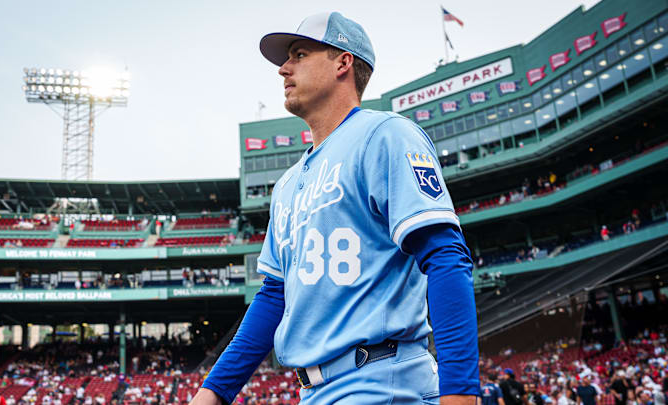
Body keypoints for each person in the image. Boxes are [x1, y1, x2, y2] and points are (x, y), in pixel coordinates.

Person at [190, 11, 478, 405]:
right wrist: (213, 392)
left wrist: (460, 392)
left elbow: (446, 256)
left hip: (383, 380)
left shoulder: (385, 134)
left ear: (343, 62)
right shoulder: (288, 184)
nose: (283, 69)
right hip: (315, 392)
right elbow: (275, 296)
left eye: (300, 53)